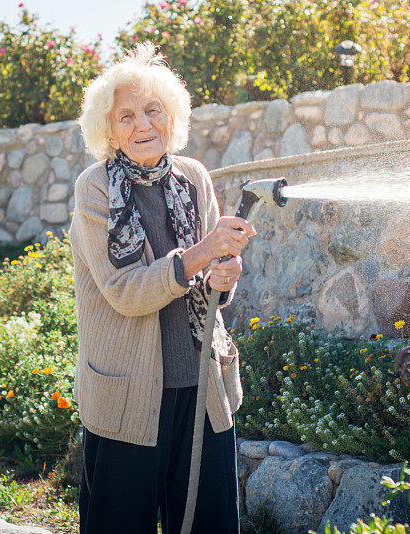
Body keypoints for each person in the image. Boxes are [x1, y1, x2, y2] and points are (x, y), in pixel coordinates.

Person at [69, 42, 256, 534]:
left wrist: (225, 273)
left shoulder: (194, 177)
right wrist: (202, 254)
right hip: (128, 391)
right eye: (126, 116)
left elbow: (217, 271)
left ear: (172, 116)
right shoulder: (95, 189)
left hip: (201, 385)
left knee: (208, 523)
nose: (143, 125)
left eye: (153, 110)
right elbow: (125, 292)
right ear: (107, 129)